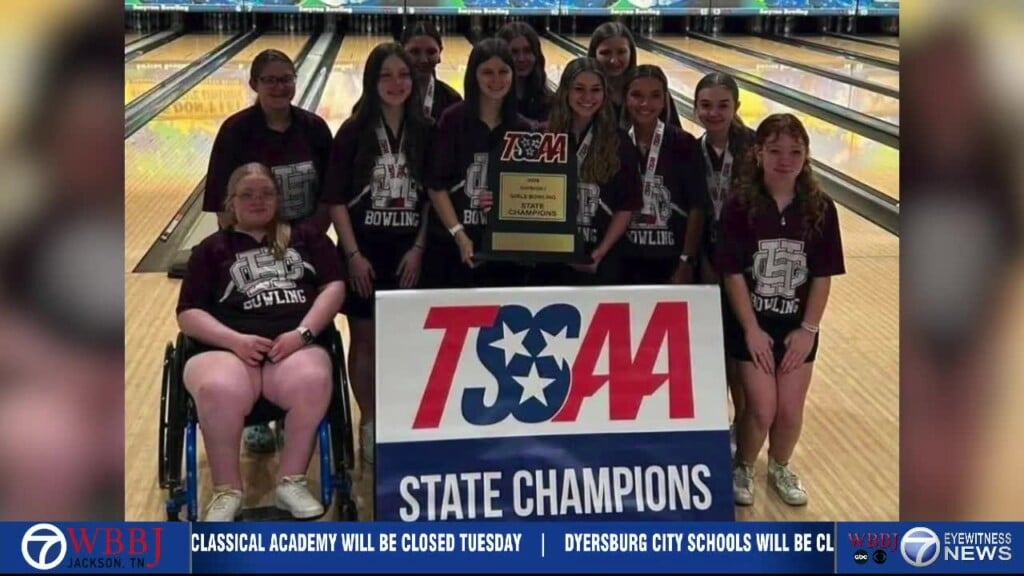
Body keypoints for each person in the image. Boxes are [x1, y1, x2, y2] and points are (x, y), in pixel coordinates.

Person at [176, 162, 346, 521]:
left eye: (266, 193)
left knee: (315, 379)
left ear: (278, 199)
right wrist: (234, 341)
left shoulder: (307, 237)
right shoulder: (210, 249)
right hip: (227, 352)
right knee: (217, 388)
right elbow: (188, 313)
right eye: (248, 195)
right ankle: (227, 491)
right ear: (231, 203)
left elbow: (334, 286)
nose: (258, 200)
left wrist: (302, 334)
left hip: (294, 348)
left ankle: (291, 482)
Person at [201, 49, 334, 453]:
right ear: (254, 84)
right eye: (270, 79)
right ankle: (258, 414)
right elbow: (223, 203)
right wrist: (240, 249)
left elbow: (330, 193)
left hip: (302, 246)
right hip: (250, 245)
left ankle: (293, 404)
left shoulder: (314, 129)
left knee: (295, 315)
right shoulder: (236, 131)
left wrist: (307, 243)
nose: (280, 86)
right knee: (254, 312)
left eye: (286, 78)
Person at [717, 113, 846, 508]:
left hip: (797, 327)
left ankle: (780, 466)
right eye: (775, 151)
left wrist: (808, 330)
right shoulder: (739, 206)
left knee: (789, 410)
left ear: (806, 156)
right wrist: (750, 329)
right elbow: (733, 274)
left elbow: (822, 276)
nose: (785, 160)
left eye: (795, 151)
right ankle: (743, 465)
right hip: (751, 324)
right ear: (758, 153)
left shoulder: (821, 208)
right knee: (762, 408)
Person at [322, 43, 432, 466]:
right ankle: (369, 422)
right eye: (386, 75)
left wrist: (419, 248)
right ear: (371, 81)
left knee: (407, 339)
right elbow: (336, 199)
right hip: (364, 253)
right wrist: (352, 255)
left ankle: (403, 418)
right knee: (364, 339)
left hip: (410, 255)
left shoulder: (426, 130)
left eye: (403, 75)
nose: (395, 83)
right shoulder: (354, 131)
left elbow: (432, 197)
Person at [423, 37, 535, 289]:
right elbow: (436, 186)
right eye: (487, 72)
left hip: (503, 252)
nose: (496, 80)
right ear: (474, 75)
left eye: (503, 71)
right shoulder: (452, 120)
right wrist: (459, 234)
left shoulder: (524, 129)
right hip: (451, 246)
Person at [693, 71, 757, 456]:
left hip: (749, 268)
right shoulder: (694, 149)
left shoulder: (755, 149)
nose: (713, 113)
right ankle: (719, 421)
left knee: (740, 351)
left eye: (722, 105)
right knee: (715, 346)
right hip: (708, 261)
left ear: (736, 107)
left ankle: (744, 426)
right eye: (705, 105)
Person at [543, 57, 641, 286]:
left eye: (595, 90)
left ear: (605, 94)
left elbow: (626, 206)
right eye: (579, 89)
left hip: (602, 259)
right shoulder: (544, 136)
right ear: (565, 91)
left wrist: (600, 252)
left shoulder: (619, 142)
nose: (588, 97)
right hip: (551, 260)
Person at [620, 65, 706, 286]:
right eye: (637, 95)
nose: (645, 104)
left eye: (655, 96)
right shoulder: (615, 142)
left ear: (665, 99)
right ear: (625, 98)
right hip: (622, 261)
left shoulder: (684, 143)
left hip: (671, 260)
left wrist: (686, 261)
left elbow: (697, 206)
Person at [587, 22, 681, 129]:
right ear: (594, 54)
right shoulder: (583, 92)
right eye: (605, 53)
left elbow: (676, 134)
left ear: (631, 53)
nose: (614, 60)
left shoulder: (653, 88)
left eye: (621, 52)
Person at [401, 21, 463, 122]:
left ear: (440, 54)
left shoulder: (452, 100)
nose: (423, 60)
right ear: (401, 53)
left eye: (431, 52)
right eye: (415, 52)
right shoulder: (389, 94)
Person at [496, 21, 553, 122]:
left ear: (536, 54)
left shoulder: (550, 101)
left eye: (528, 51)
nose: (521, 59)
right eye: (514, 52)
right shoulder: (490, 102)